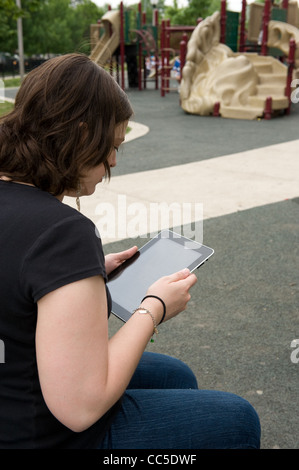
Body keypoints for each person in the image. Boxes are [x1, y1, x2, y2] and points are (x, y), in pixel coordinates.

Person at [0, 53, 261, 449]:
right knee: (237, 420)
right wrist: (153, 306)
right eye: (112, 146)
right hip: (37, 434)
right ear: (83, 135)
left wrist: (83, 276)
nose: (113, 161)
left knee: (172, 375)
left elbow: (15, 276)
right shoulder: (62, 231)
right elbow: (79, 407)